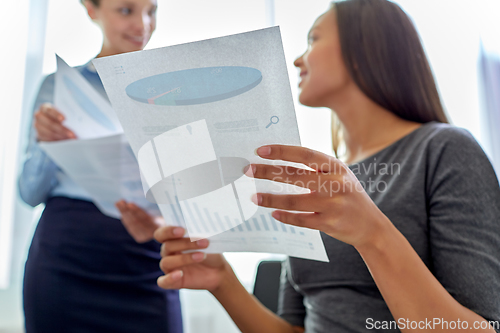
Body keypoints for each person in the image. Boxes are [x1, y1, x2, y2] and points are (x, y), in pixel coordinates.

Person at [151, 1, 500, 332]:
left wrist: (373, 234)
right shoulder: (317, 182)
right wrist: (222, 281)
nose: (298, 59)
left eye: (313, 39)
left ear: (365, 50)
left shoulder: (443, 149)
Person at [19, 0, 183, 332]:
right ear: (91, 10)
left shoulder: (177, 94)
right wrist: (48, 144)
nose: (143, 24)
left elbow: (191, 197)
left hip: (148, 254)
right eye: (126, 10)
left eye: (152, 11)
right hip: (65, 257)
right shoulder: (58, 87)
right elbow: (30, 193)